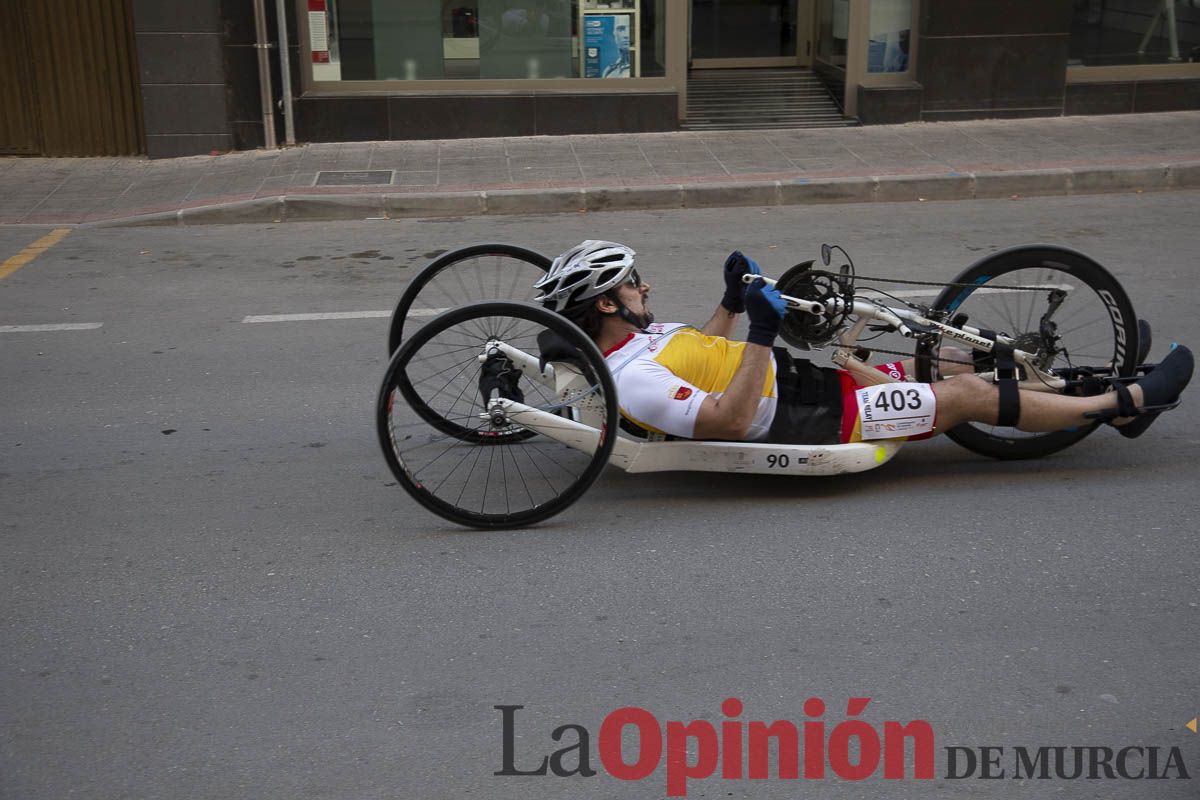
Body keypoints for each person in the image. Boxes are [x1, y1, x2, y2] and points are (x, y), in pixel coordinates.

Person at [532, 240, 1193, 445]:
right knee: (964, 394)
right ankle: (1125, 402)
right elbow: (726, 418)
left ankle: (1089, 384)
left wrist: (731, 304)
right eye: (633, 284)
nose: (646, 287)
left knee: (943, 355)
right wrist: (762, 328)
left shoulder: (642, 342)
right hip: (814, 420)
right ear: (607, 304)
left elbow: (702, 355)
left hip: (805, 385)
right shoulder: (630, 379)